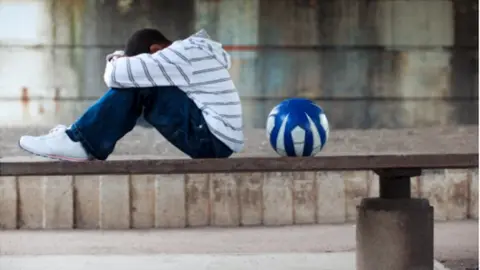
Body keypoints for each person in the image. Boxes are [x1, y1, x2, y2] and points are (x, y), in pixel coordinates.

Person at [18, 29, 244, 161]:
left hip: (211, 140)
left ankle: (81, 142)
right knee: (140, 80)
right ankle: (79, 140)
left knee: (142, 85)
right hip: (213, 138)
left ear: (156, 50)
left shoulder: (181, 54)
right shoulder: (190, 53)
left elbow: (116, 75)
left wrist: (119, 60)